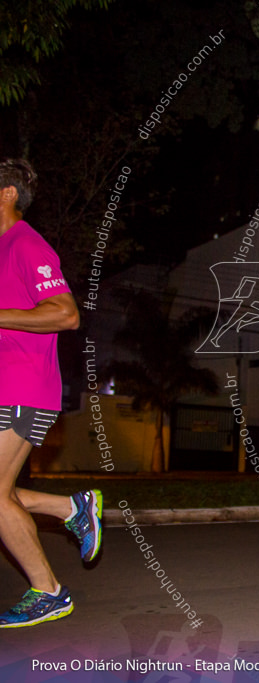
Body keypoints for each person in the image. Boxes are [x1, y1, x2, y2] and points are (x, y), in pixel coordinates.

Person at [0, 159, 101, 628]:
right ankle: (70, 508)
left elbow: (65, 314)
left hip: (24, 387)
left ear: (8, 194)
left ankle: (48, 591)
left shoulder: (26, 243)